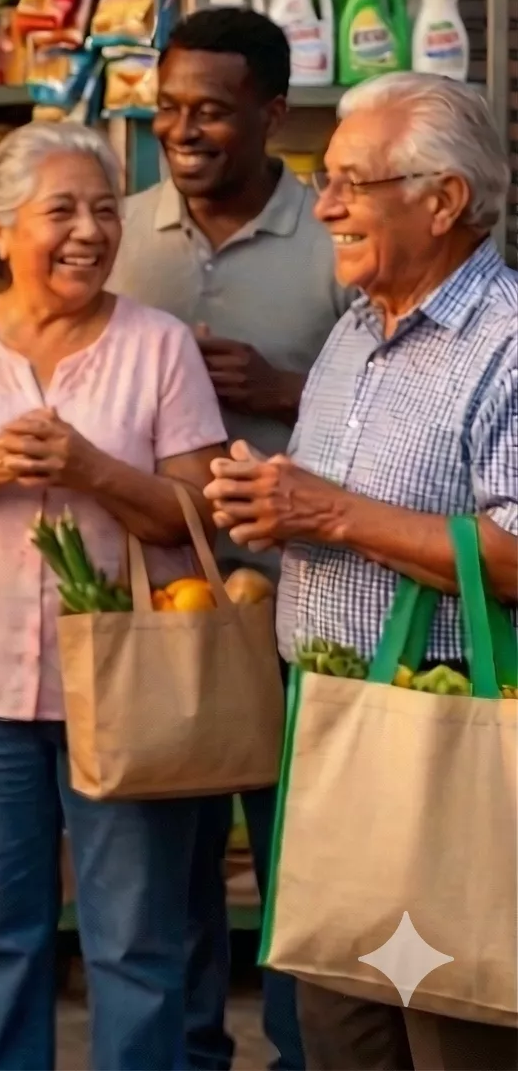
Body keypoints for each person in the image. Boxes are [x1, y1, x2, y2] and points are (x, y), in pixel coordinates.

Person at [207, 72, 518, 1071]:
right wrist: (274, 510)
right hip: (335, 733)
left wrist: (329, 512)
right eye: (323, 178)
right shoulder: (353, 332)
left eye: (351, 182)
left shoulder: (507, 344)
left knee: (456, 1028)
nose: (324, 207)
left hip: (452, 742)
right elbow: (340, 516)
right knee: (339, 1033)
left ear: (444, 199)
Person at [0, 118, 230, 1071]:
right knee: (2, 939)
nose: (89, 232)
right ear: (0, 228)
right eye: (62, 211)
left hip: (130, 691)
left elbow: (197, 516)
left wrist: (93, 469)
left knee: (134, 943)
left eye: (104, 211)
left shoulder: (158, 346)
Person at [109, 6, 346, 1071]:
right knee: (176, 870)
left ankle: (299, 1050)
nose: (182, 129)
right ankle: (194, 1054)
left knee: (303, 857)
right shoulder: (119, 232)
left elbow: (397, 399)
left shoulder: (333, 238)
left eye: (210, 109)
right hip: (171, 604)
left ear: (272, 113)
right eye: (168, 108)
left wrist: (286, 388)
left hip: (305, 602)